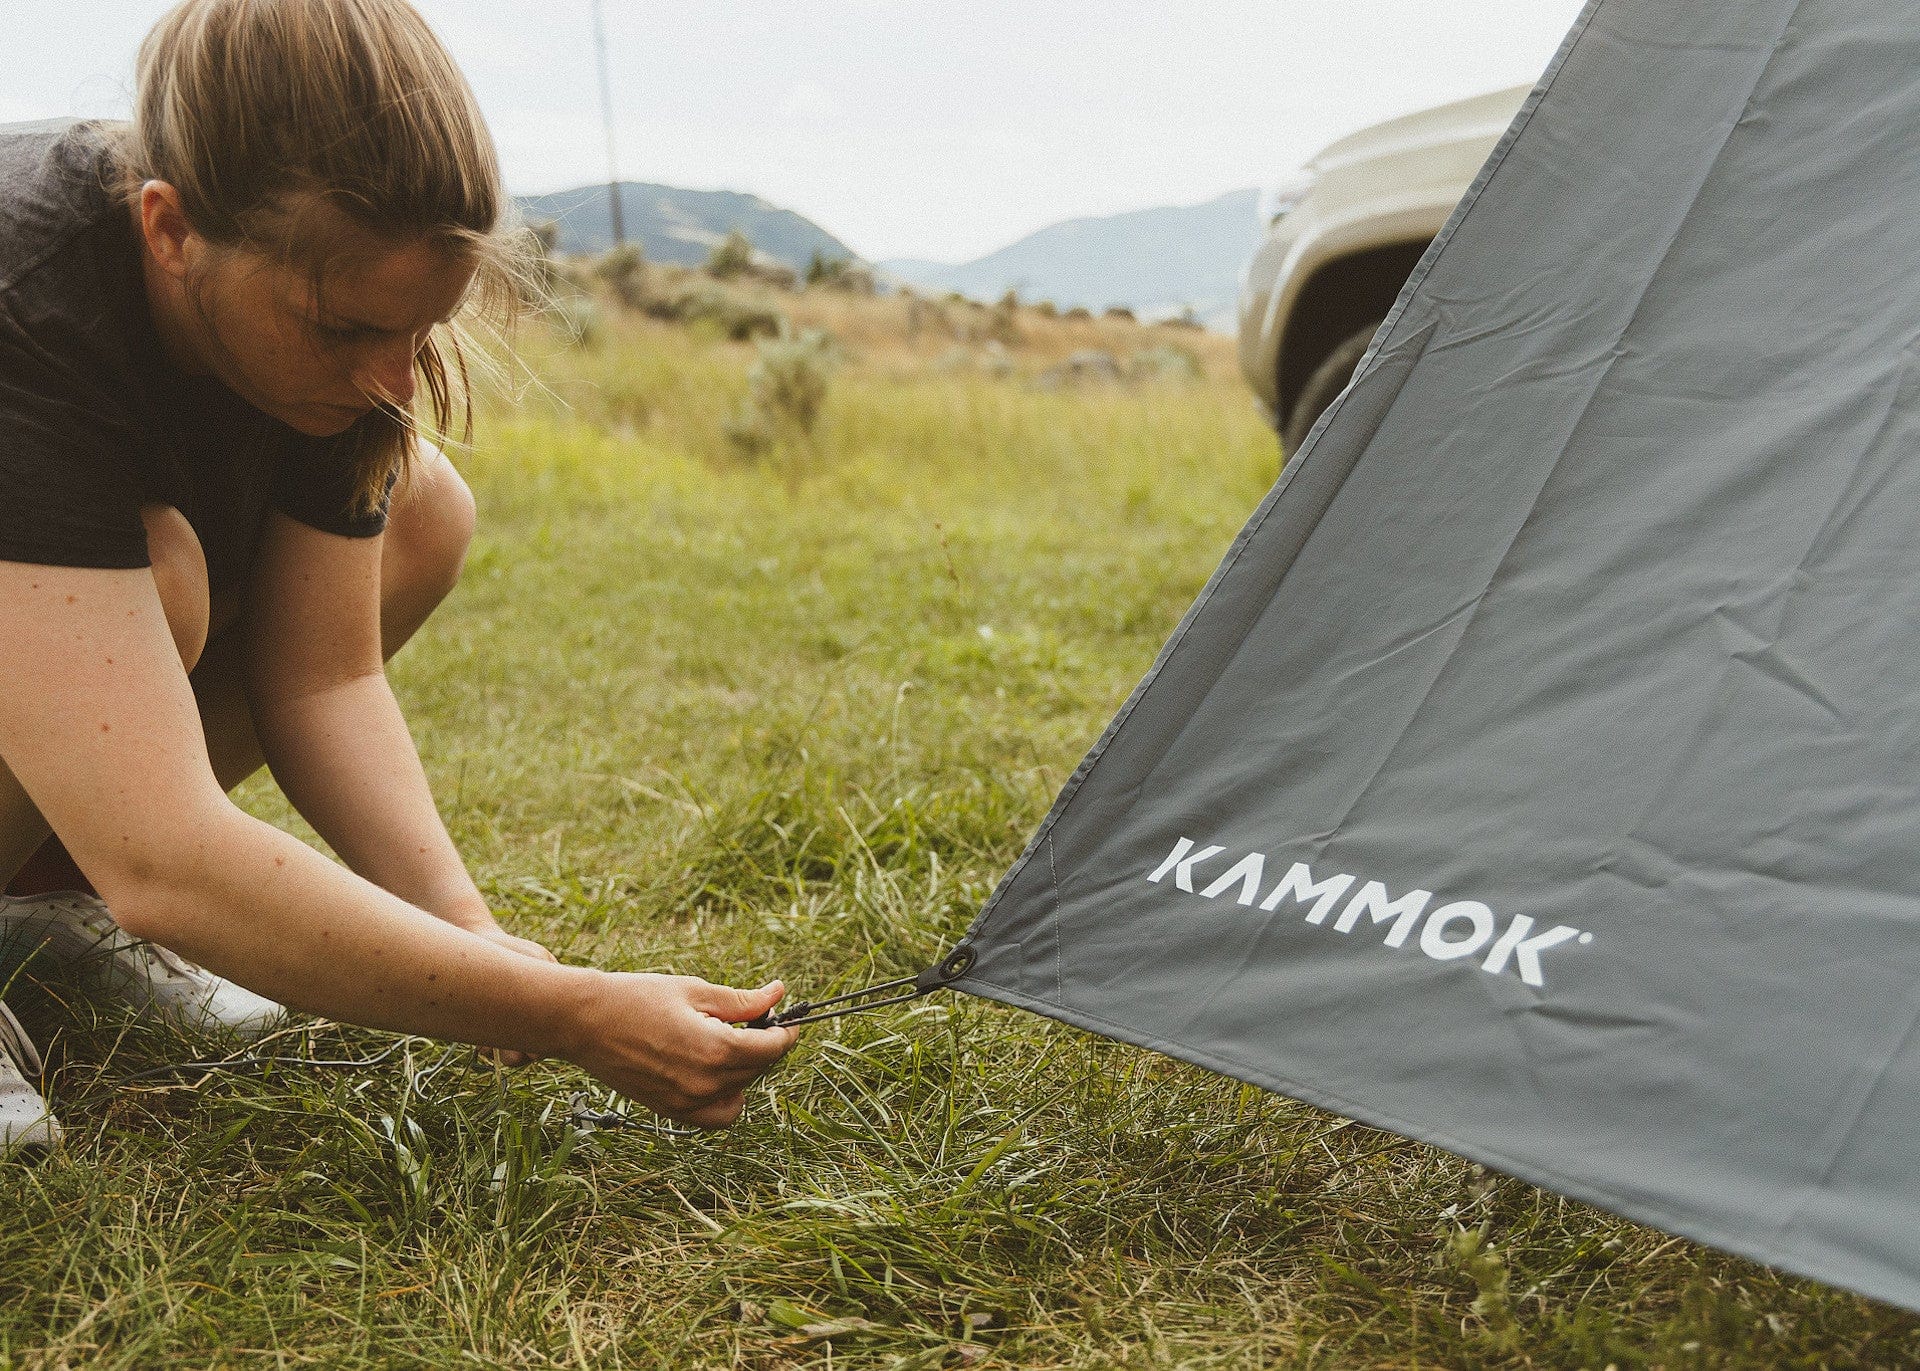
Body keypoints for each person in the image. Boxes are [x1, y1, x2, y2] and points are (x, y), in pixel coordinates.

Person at [0, 0, 798, 1149]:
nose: (393, 380)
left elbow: (322, 680)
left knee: (423, 510)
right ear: (170, 230)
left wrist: (473, 941)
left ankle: (40, 899)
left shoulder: (334, 320)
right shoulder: (27, 300)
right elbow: (164, 857)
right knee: (161, 573)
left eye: (420, 331)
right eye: (343, 331)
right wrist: (569, 1014)